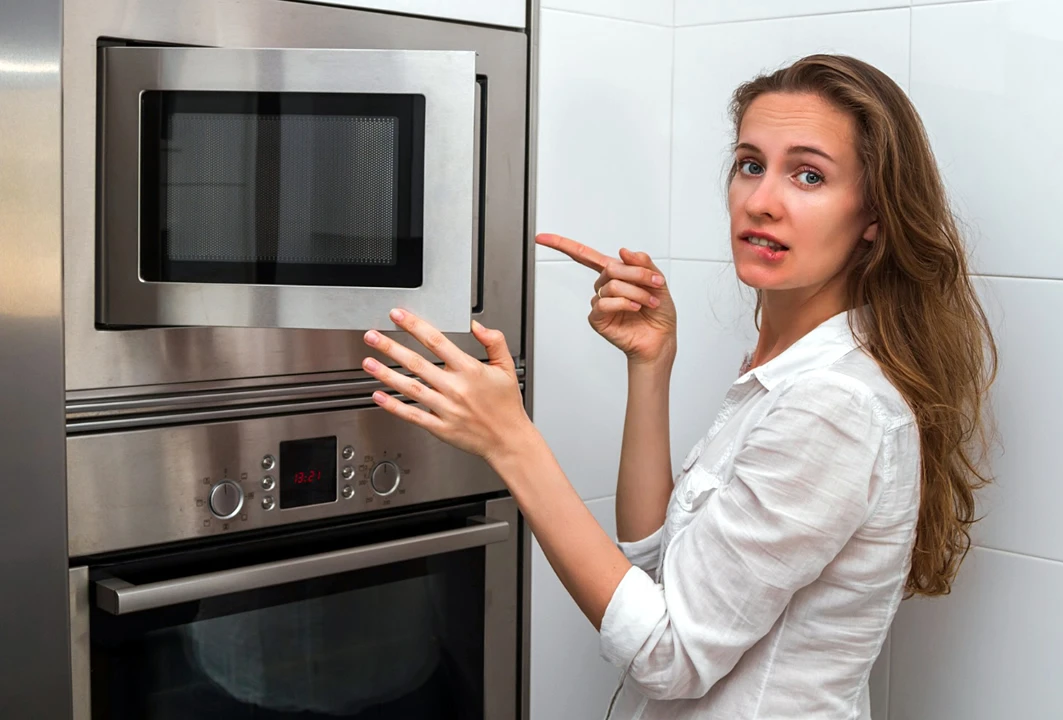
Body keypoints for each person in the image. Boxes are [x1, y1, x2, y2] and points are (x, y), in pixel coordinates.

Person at [359, 53, 997, 719]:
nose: (761, 201)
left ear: (874, 216)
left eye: (809, 175)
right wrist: (651, 366)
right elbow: (652, 565)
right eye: (751, 164)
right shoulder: (786, 369)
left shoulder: (834, 404)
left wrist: (511, 443)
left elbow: (669, 657)